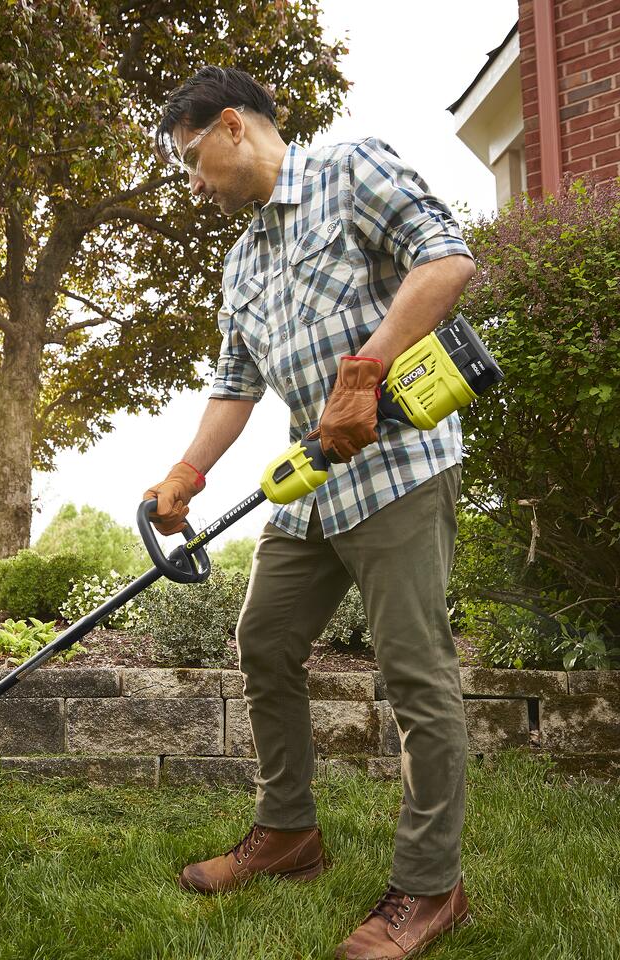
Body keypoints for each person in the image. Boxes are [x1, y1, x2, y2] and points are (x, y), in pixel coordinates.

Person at [144, 67, 478, 960]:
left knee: (415, 676)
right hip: (314, 476)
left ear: (230, 128)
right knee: (265, 638)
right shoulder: (240, 258)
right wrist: (184, 471)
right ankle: (288, 831)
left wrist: (364, 372)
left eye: (191, 162)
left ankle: (429, 887)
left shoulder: (348, 170)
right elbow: (234, 385)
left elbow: (447, 257)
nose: (193, 184)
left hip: (398, 466)